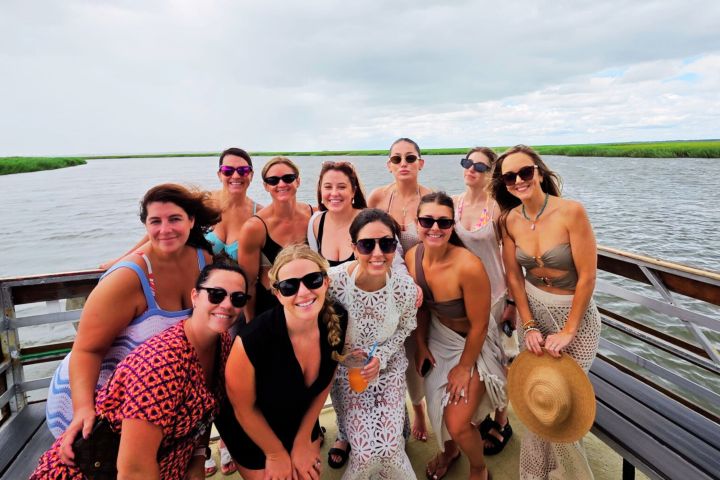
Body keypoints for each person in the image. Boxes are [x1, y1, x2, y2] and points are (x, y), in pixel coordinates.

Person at [31, 261, 249, 479]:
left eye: (237, 298)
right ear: (195, 296)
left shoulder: (222, 344)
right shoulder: (162, 365)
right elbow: (134, 470)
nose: (227, 305)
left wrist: (198, 455)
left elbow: (205, 411)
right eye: (216, 294)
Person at [46, 184, 219, 458]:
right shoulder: (127, 279)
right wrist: (83, 409)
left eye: (174, 219)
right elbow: (87, 349)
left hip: (150, 398)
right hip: (96, 397)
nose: (166, 229)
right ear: (145, 226)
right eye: (155, 221)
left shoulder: (202, 260)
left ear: (191, 221)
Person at [490, 145, 601, 479]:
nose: (519, 180)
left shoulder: (571, 212)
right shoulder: (509, 220)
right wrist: (529, 324)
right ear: (505, 184)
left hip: (576, 318)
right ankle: (539, 474)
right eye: (510, 177)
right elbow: (514, 276)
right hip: (534, 312)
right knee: (539, 400)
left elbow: (588, 277)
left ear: (538, 171)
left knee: (562, 405)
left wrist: (568, 329)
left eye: (525, 172)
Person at [218, 244, 347, 480]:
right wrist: (275, 454)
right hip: (252, 430)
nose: (304, 292)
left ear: (326, 282)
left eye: (313, 280)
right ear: (277, 293)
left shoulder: (338, 318)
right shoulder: (252, 340)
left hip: (298, 419)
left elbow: (326, 381)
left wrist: (303, 439)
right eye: (290, 286)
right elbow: (243, 408)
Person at [407, 192, 506, 480]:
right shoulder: (413, 257)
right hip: (438, 336)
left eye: (443, 221)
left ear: (453, 225)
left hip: (474, 344)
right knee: (435, 402)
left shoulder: (468, 266)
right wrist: (422, 344)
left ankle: (479, 467)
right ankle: (450, 451)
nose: (434, 227)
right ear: (417, 223)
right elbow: (423, 307)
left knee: (458, 421)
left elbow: (479, 326)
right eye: (427, 220)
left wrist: (464, 368)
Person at [327, 208, 419, 479]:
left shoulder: (404, 288)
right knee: (365, 453)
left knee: (390, 448)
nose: (378, 253)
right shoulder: (333, 282)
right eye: (368, 244)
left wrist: (382, 357)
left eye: (387, 244)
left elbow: (406, 326)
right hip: (347, 372)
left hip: (388, 370)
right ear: (353, 247)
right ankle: (347, 435)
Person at [368, 137, 432, 442]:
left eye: (410, 158)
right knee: (394, 353)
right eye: (397, 159)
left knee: (422, 352)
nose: (403, 164)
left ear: (420, 163)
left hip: (427, 290)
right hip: (390, 291)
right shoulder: (378, 197)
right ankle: (405, 412)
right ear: (389, 165)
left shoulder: (432, 198)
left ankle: (421, 408)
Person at [453, 147, 517, 456]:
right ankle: (479, 413)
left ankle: (502, 420)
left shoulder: (497, 210)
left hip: (495, 294)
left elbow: (512, 260)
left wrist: (513, 303)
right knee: (476, 360)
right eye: (468, 162)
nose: (472, 169)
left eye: (481, 165)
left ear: (491, 173)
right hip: (465, 297)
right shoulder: (453, 204)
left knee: (499, 360)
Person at [237, 156, 314, 319]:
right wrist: (251, 322)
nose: (281, 184)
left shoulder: (315, 216)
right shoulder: (254, 227)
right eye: (273, 180)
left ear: (298, 181)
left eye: (288, 178)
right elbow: (249, 283)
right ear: (266, 186)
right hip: (272, 308)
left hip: (311, 301)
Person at [307, 160, 368, 267]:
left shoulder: (370, 221)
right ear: (320, 190)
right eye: (328, 187)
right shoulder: (315, 222)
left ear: (353, 191)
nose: (334, 193)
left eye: (341, 187)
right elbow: (316, 268)